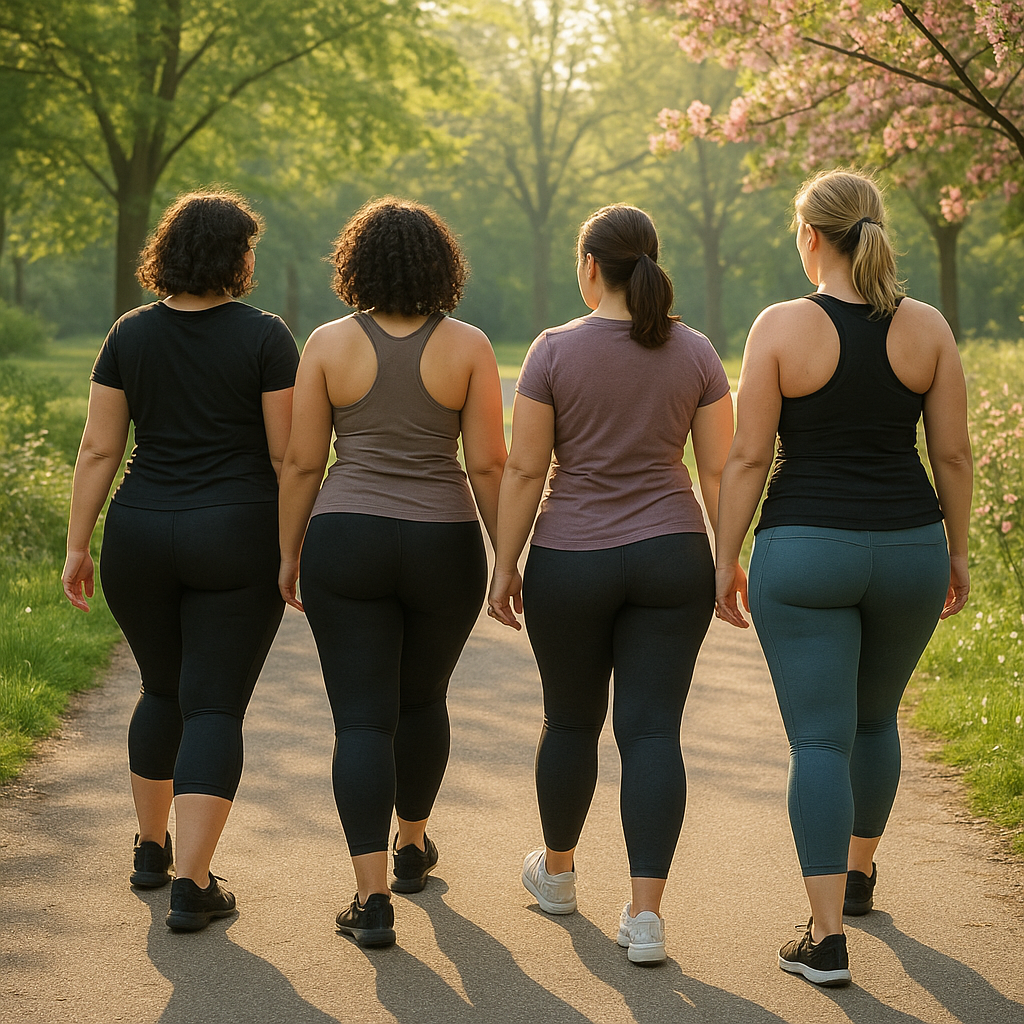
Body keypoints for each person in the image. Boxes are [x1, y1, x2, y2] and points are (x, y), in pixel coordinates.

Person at [714, 169, 972, 986]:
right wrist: (958, 553)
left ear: (810, 237)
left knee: (818, 738)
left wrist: (725, 554)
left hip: (805, 549)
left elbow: (750, 454)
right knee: (874, 719)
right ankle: (859, 874)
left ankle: (825, 939)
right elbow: (954, 455)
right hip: (909, 549)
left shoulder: (782, 326)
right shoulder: (926, 327)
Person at [487, 203, 735, 965]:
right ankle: (646, 916)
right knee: (653, 730)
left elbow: (526, 467)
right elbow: (718, 469)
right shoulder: (695, 351)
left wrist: (504, 560)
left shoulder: (554, 349)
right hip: (672, 555)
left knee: (569, 723)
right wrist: (726, 561)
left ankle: (557, 877)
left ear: (590, 265)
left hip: (572, 558)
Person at [62, 190, 298, 931]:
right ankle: (193, 886)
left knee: (160, 689)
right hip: (235, 534)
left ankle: (150, 850)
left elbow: (101, 446)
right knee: (214, 704)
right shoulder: (266, 337)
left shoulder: (129, 333)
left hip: (140, 531)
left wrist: (77, 542)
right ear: (236, 257)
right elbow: (288, 456)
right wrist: (293, 548)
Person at [277, 197, 508, 948]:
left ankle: (371, 899)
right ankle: (413, 845)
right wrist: (509, 557)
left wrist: (288, 553)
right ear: (443, 266)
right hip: (444, 542)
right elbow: (487, 463)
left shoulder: (327, 344)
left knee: (362, 719)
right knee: (423, 699)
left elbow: (305, 460)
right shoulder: (468, 346)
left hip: (347, 539)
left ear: (357, 264)